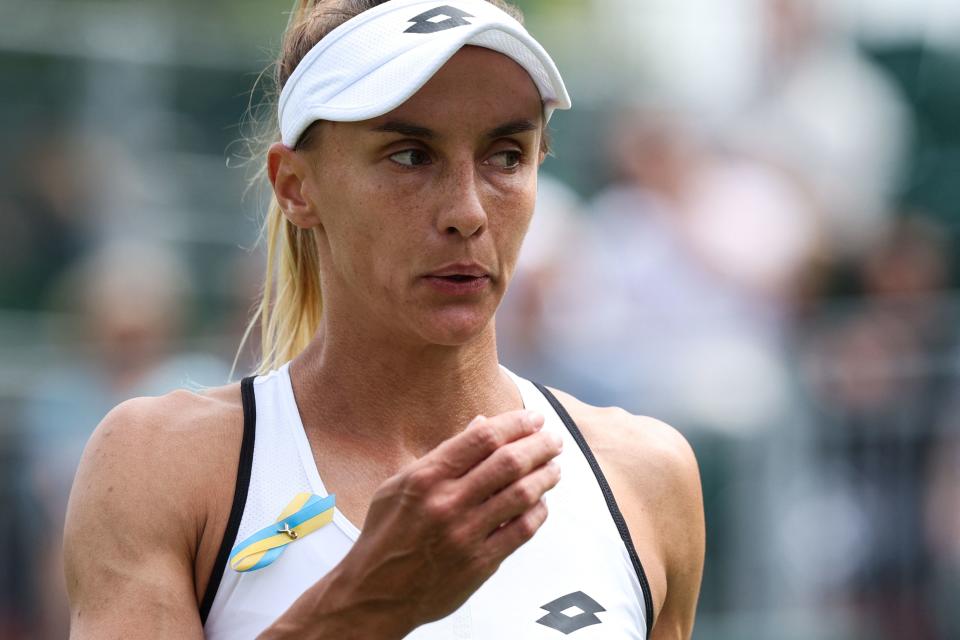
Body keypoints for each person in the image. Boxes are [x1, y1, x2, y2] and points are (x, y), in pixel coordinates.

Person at [63, 0, 705, 638]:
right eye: (410, 155)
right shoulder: (160, 464)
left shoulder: (644, 475)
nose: (467, 210)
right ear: (294, 186)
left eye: (506, 155)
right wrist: (363, 606)